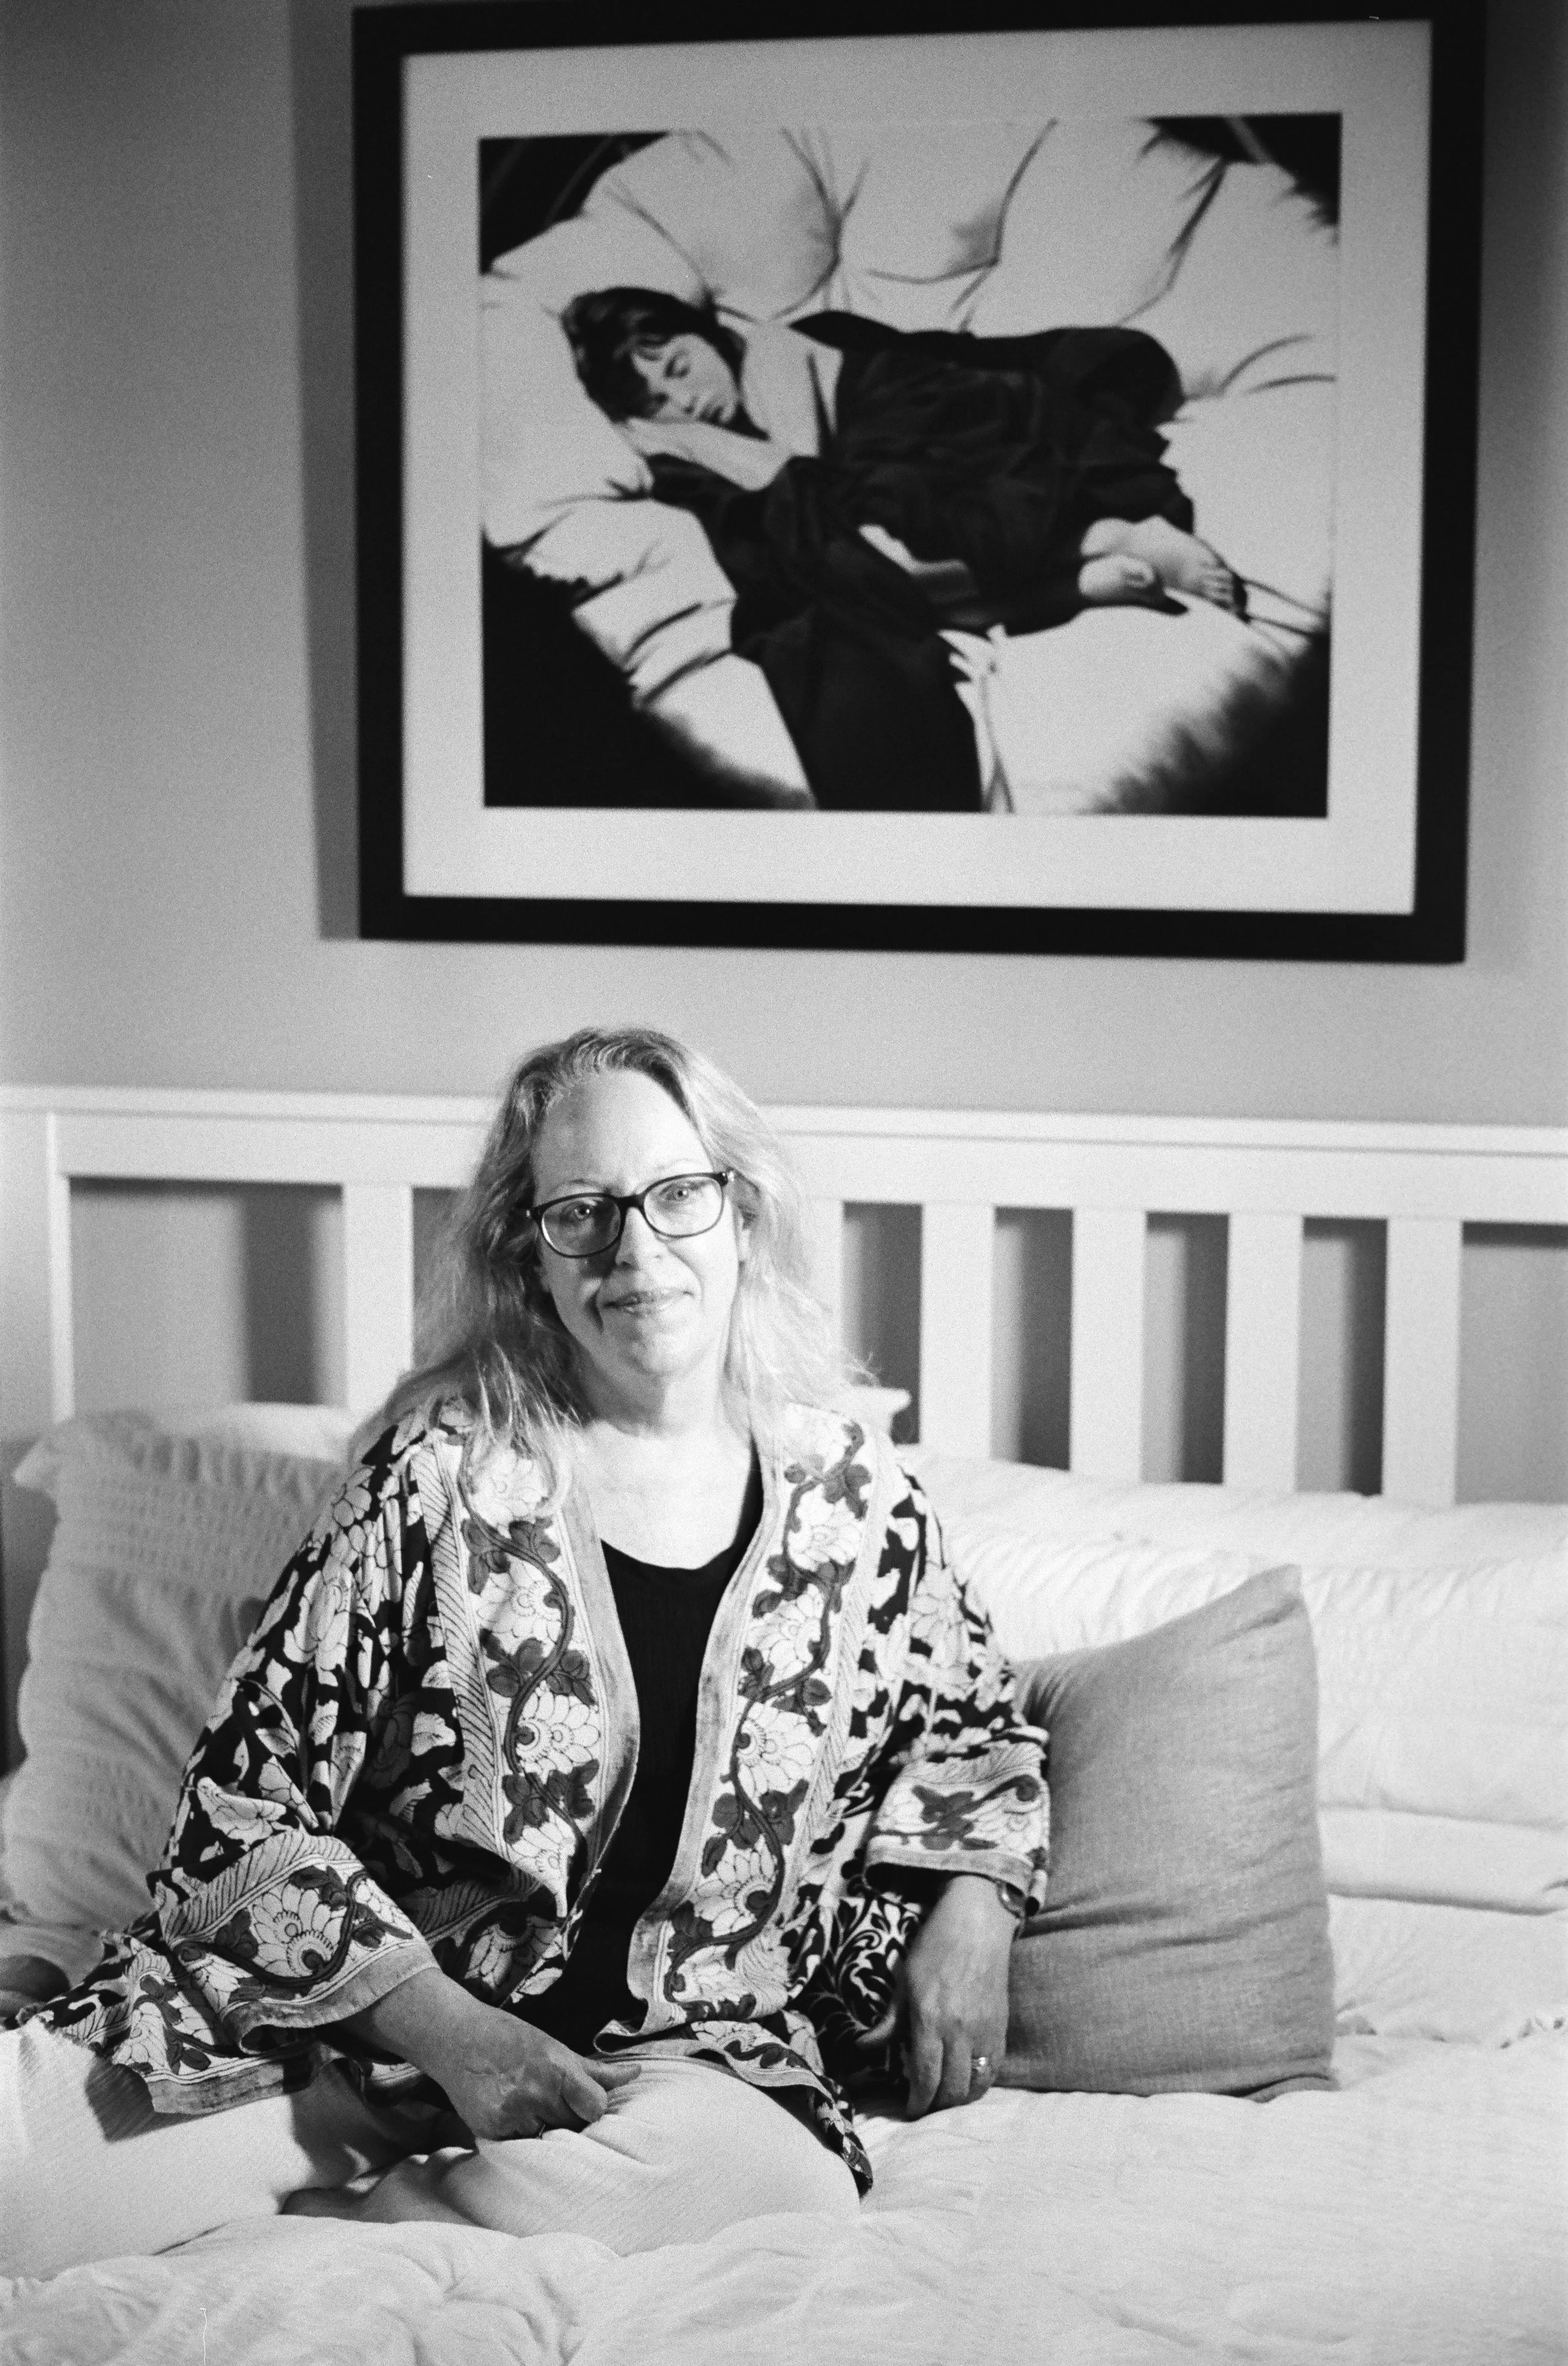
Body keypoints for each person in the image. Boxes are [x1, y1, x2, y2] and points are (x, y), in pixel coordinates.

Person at [1, 1027, 1047, 2278]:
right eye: (580, 1214)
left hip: (669, 2072)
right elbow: (236, 1807)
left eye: (675, 1195)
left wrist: (976, 1907)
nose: (634, 1249)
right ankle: (365, 2198)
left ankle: (334, 2241)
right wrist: (453, 2035)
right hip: (354, 2034)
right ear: (528, 1259)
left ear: (741, 1216)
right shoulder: (436, 1473)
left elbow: (975, 1720)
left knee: (780, 2192)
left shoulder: (856, 1499)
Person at [561, 289, 1245, 811]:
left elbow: (806, 471)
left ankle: (1109, 534)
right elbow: (791, 522)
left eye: (682, 367)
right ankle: (1064, 584)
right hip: (870, 491)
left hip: (916, 422)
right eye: (657, 401)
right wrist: (672, 437)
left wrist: (703, 441)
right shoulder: (683, 450)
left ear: (707, 334)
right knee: (852, 572)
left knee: (876, 540)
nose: (686, 399)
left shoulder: (773, 348)